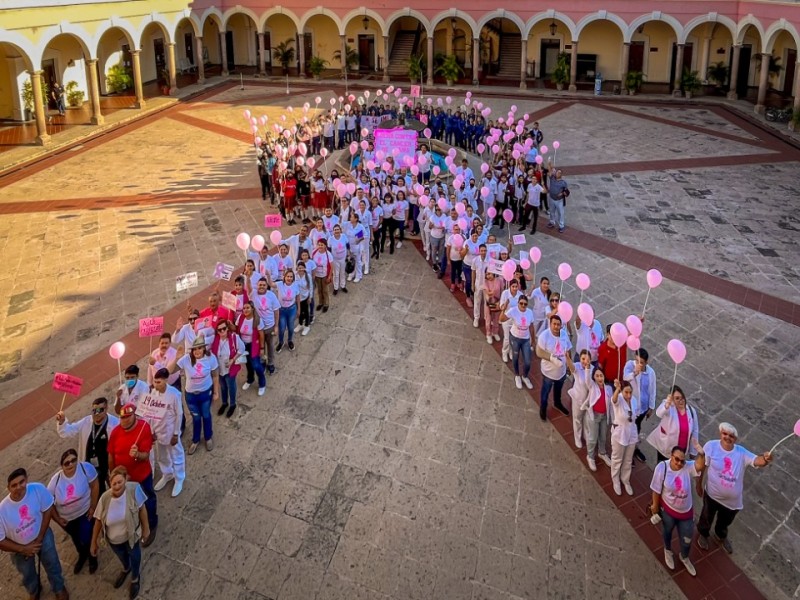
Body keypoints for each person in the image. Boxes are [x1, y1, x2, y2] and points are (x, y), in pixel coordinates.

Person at [695, 422, 773, 554]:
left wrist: (766, 459)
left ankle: (720, 535)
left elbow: (757, 461)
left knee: (725, 522)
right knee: (706, 517)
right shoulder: (711, 446)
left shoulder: (741, 453)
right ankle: (703, 534)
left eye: (731, 436)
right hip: (712, 495)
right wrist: (699, 484)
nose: (727, 437)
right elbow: (702, 466)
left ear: (735, 439)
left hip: (732, 502)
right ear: (720, 433)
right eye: (725, 434)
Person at [0, 468, 69, 600]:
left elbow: (47, 510)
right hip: (19, 550)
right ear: (8, 488)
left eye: (22, 482)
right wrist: (24, 549)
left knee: (52, 563)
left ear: (26, 480)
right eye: (14, 485)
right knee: (27, 573)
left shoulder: (38, 489)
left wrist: (40, 537)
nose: (19, 487)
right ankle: (34, 590)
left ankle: (59, 587)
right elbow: (1, 541)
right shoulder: (2, 510)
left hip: (43, 537)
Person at [91, 466, 149, 600]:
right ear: (110, 483)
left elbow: (142, 509)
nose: (117, 486)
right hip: (114, 541)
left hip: (131, 536)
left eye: (120, 482)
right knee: (122, 557)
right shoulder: (105, 498)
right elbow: (98, 521)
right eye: (114, 483)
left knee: (135, 556)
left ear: (126, 480)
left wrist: (146, 529)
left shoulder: (134, 489)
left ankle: (135, 577)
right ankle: (126, 568)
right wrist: (93, 542)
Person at [649, 443, 706, 576]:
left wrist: (702, 454)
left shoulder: (687, 467)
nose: (680, 463)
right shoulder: (662, 468)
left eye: (682, 460)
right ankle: (667, 550)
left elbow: (699, 466)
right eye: (677, 459)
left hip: (686, 513)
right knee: (667, 532)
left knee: (687, 538)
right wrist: (655, 507)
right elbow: (656, 490)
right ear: (671, 456)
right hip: (668, 511)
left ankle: (684, 556)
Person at [107, 404, 157, 546]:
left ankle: (152, 524)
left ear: (135, 415)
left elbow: (145, 456)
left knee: (148, 500)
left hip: (141, 477)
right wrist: (113, 475)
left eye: (128, 417)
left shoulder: (144, 428)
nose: (124, 420)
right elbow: (111, 455)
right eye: (122, 417)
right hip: (124, 480)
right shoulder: (116, 432)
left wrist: (137, 455)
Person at [47, 449, 99, 574]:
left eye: (73, 460)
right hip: (68, 518)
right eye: (67, 463)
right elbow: (48, 505)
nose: (71, 464)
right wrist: (58, 519)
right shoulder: (55, 482)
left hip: (85, 512)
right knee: (76, 538)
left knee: (87, 536)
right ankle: (82, 555)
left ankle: (92, 557)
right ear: (62, 466)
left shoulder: (86, 469)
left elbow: (95, 485)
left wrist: (93, 507)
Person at [56, 397, 119, 494]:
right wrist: (62, 422)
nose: (96, 413)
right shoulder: (86, 422)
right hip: (88, 465)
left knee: (108, 489)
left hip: (106, 465)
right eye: (94, 410)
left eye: (100, 410)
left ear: (106, 409)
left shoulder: (115, 424)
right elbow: (68, 431)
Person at [171, 338, 220, 454]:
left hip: (205, 393)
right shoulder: (186, 359)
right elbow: (171, 371)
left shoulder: (210, 358)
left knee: (206, 415)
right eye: (194, 349)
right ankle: (196, 440)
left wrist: (216, 392)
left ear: (204, 348)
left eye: (200, 348)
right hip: (191, 396)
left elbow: (215, 375)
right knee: (196, 418)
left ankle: (208, 437)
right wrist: (176, 358)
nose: (197, 351)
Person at [149, 369, 186, 497]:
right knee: (162, 456)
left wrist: (176, 433)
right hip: (158, 431)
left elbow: (179, 414)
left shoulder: (174, 394)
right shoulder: (153, 393)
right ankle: (167, 474)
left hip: (170, 431)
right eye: (154, 381)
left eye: (158, 382)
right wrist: (152, 430)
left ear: (165, 380)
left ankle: (179, 478)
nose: (155, 384)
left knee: (176, 455)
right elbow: (152, 413)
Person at [646, 386, 699, 463]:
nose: (681, 401)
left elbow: (695, 431)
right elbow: (659, 413)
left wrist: (693, 451)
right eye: (677, 398)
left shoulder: (691, 411)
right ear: (673, 400)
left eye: (682, 398)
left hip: (681, 451)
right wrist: (667, 404)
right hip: (666, 449)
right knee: (663, 469)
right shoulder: (670, 407)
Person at [535, 315, 573, 421]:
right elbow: (539, 352)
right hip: (548, 373)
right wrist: (552, 359)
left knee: (558, 390)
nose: (556, 326)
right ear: (550, 324)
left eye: (558, 324)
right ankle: (543, 408)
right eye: (554, 324)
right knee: (545, 392)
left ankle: (557, 403)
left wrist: (569, 365)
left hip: (561, 372)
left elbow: (568, 349)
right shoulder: (544, 336)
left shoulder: (564, 334)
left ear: (561, 325)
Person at [624, 348, 657, 463]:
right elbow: (625, 377)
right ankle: (627, 452)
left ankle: (634, 449)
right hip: (632, 407)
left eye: (642, 362)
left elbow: (652, 390)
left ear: (646, 363)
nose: (639, 364)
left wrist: (651, 407)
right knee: (629, 429)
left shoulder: (651, 373)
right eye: (637, 361)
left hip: (643, 408)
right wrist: (635, 373)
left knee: (637, 428)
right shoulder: (630, 365)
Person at [609, 379, 639, 496]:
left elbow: (635, 414)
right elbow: (614, 400)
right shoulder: (619, 398)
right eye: (626, 392)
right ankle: (615, 479)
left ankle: (625, 479)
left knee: (628, 459)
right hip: (620, 433)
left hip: (631, 433)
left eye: (630, 392)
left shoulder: (634, 400)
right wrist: (617, 389)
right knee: (617, 458)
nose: (629, 395)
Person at [210, 320, 245, 416]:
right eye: (219, 330)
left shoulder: (234, 337)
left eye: (224, 328)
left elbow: (242, 349)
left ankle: (232, 404)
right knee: (223, 387)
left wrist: (233, 360)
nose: (222, 331)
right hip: (219, 369)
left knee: (231, 386)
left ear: (227, 328)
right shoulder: (215, 339)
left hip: (230, 369)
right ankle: (224, 403)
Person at [500, 294, 535, 389]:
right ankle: (517, 375)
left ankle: (524, 376)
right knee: (515, 357)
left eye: (525, 304)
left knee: (527, 361)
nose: (523, 306)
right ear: (518, 303)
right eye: (521, 303)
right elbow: (501, 319)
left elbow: (531, 326)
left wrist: (533, 340)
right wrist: (504, 308)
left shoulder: (530, 312)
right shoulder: (513, 310)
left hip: (526, 339)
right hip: (515, 338)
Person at [582, 366, 612, 471]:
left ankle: (602, 453)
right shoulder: (592, 387)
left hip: (604, 416)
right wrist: (587, 368)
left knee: (603, 436)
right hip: (593, 416)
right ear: (594, 377)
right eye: (597, 376)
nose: (599, 378)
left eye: (601, 375)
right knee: (593, 438)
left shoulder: (608, 389)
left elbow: (611, 403)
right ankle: (590, 456)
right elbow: (587, 380)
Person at [567, 350, 593, 448]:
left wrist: (587, 370)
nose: (585, 361)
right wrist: (567, 358)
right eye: (583, 359)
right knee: (577, 419)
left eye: (587, 359)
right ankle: (577, 437)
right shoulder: (577, 366)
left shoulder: (593, 369)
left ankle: (586, 435)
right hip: (578, 398)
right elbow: (571, 367)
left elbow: (590, 384)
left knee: (586, 419)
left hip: (588, 400)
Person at [276, 270, 300, 352]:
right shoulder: (279, 284)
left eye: (291, 276)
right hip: (282, 310)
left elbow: (297, 297)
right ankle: (281, 342)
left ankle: (290, 340)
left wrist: (299, 309)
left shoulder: (295, 285)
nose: (289, 278)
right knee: (282, 328)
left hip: (292, 309)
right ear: (284, 277)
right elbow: (271, 284)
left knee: (290, 327)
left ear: (293, 278)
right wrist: (268, 276)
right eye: (288, 276)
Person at [546, 162, 569, 233]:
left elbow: (567, 192)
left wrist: (562, 193)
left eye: (558, 173)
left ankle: (561, 226)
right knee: (552, 211)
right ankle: (552, 222)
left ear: (561, 175)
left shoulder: (563, 182)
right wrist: (549, 164)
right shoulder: (552, 178)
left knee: (560, 213)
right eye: (556, 173)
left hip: (559, 200)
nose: (556, 174)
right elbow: (550, 171)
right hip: (551, 198)